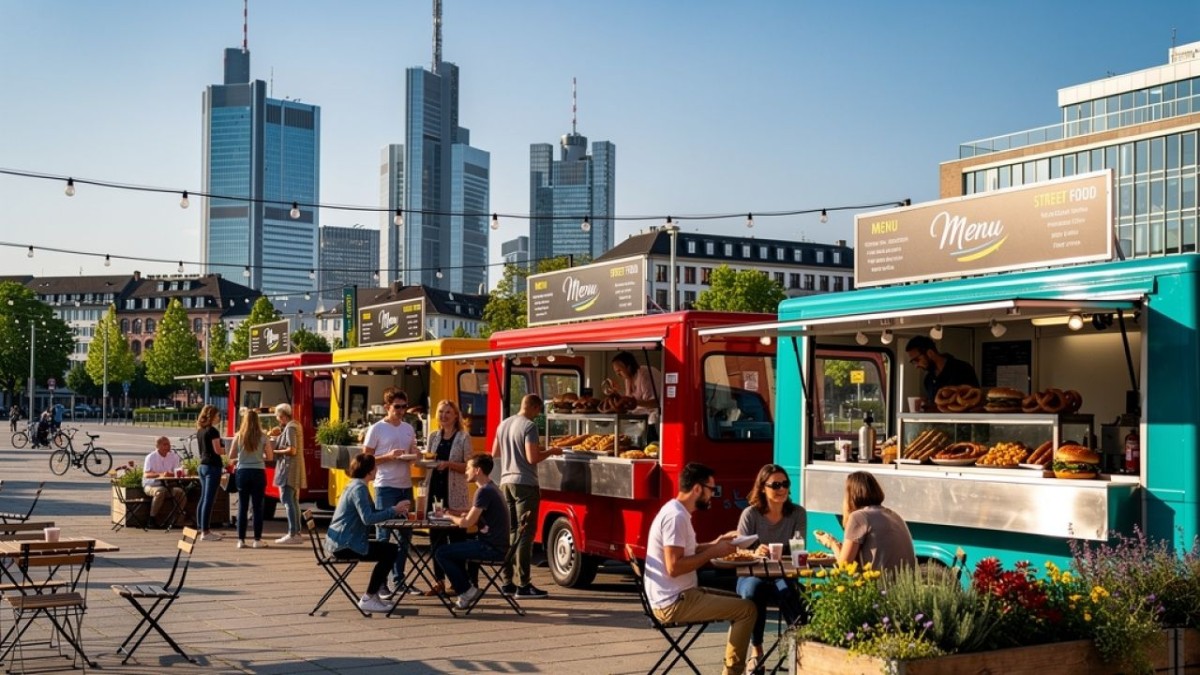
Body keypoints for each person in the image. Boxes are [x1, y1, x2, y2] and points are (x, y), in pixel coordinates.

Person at [645, 462, 756, 675]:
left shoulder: (676, 511)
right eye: (711, 490)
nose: (712, 496)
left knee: (742, 604)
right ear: (697, 488)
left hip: (677, 596)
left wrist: (716, 543)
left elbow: (688, 550)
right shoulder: (676, 517)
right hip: (673, 603)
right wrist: (713, 552)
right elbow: (674, 567)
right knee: (747, 610)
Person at [736, 464, 808, 668]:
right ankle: (756, 651)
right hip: (751, 575)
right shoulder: (751, 514)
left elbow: (799, 549)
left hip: (783, 575)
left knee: (789, 591)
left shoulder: (797, 514)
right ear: (762, 488)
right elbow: (738, 550)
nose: (781, 489)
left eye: (785, 484)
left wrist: (789, 551)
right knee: (753, 590)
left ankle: (801, 648)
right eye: (775, 485)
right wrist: (754, 552)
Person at [325, 453, 410, 614]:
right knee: (390, 551)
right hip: (345, 545)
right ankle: (369, 597)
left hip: (340, 541)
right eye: (375, 467)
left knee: (389, 550)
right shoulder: (359, 489)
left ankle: (373, 595)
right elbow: (368, 519)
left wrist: (394, 512)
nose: (377, 469)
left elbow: (369, 512)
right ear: (370, 471)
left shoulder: (355, 485)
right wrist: (393, 510)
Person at [493, 393, 558, 598]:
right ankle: (524, 584)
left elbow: (495, 452)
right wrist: (551, 451)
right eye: (538, 411)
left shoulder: (503, 424)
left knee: (511, 531)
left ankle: (507, 582)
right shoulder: (529, 426)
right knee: (525, 534)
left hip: (506, 481)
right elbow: (532, 458)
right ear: (535, 408)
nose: (538, 415)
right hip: (525, 484)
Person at [433, 453, 510, 609]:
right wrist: (454, 511)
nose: (466, 471)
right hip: (497, 544)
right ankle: (466, 590)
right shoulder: (491, 487)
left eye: (468, 468)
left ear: (477, 470)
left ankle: (466, 590)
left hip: (491, 547)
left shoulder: (483, 492)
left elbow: (466, 523)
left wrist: (448, 516)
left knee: (441, 552)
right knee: (456, 549)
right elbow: (473, 513)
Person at [363, 388, 418, 596]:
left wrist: (415, 454)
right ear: (387, 407)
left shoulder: (408, 428)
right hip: (385, 486)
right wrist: (388, 456)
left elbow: (413, 450)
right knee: (383, 535)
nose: (402, 411)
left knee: (405, 535)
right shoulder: (376, 429)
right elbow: (365, 459)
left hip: (405, 485)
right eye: (397, 407)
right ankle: (381, 583)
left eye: (404, 407)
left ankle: (399, 580)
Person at [814, 471, 916, 573]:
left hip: (880, 586)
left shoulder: (859, 517)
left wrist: (832, 543)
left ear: (851, 496)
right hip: (902, 585)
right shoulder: (893, 515)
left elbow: (843, 566)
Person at [423, 399, 472, 596]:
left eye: (448, 412)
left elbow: (470, 466)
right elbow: (428, 461)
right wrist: (425, 461)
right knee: (436, 538)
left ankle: (458, 582)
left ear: (455, 416)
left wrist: (449, 464)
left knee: (457, 539)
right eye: (441, 412)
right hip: (436, 492)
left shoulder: (463, 438)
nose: (444, 416)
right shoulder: (434, 436)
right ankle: (439, 581)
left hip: (455, 494)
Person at [229, 408, 271, 549]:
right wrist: (260, 456)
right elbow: (270, 457)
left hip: (242, 472)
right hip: (258, 472)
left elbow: (231, 456)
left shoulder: (239, 436)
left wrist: (241, 458)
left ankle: (241, 540)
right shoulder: (264, 436)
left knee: (243, 506)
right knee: (258, 507)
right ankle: (257, 540)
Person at [905, 335, 979, 411]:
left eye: (917, 360)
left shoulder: (962, 369)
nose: (916, 366)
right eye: (912, 362)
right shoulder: (928, 380)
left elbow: (975, 402)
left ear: (930, 353)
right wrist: (926, 405)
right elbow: (937, 408)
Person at [271, 403, 306, 545]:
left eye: (279, 417)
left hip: (288, 468)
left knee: (287, 500)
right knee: (293, 501)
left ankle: (293, 533)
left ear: (283, 416)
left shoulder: (290, 427)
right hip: (294, 467)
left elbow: (292, 450)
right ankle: (296, 532)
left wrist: (275, 452)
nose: (278, 420)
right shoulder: (296, 425)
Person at [194, 404, 226, 542]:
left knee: (203, 498)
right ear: (212, 416)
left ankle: (200, 527)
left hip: (202, 465)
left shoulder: (200, 430)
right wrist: (228, 449)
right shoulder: (213, 431)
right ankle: (206, 532)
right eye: (218, 415)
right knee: (209, 499)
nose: (219, 418)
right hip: (213, 466)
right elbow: (218, 450)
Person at [142, 436, 187, 528]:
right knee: (160, 491)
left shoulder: (174, 456)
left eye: (169, 444)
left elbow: (177, 472)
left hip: (168, 485)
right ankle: (152, 519)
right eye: (165, 444)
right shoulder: (151, 457)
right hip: (151, 485)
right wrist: (160, 475)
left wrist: (176, 473)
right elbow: (146, 475)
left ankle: (177, 520)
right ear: (158, 446)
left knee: (180, 493)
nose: (168, 446)